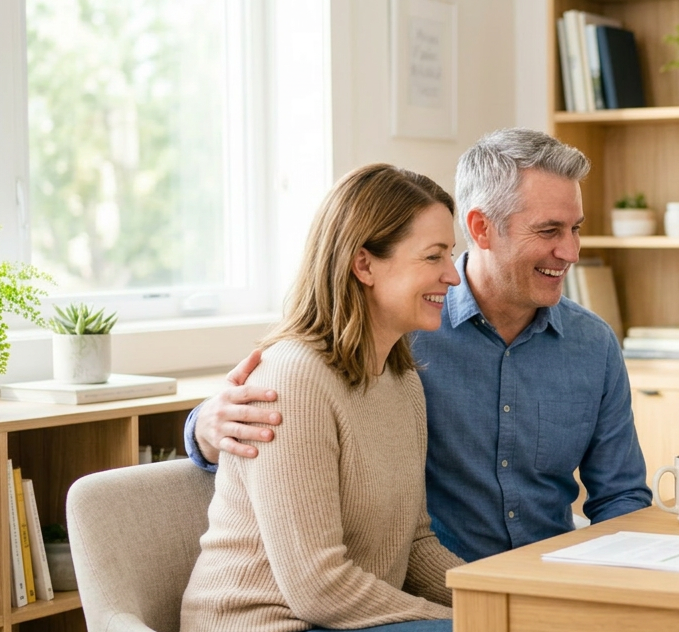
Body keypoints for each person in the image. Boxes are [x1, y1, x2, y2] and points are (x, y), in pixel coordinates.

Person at [184, 128, 651, 562]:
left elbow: (620, 497)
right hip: (426, 588)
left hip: (548, 584)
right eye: (549, 231)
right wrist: (204, 428)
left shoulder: (593, 345)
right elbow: (296, 390)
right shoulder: (398, 325)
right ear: (481, 228)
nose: (570, 252)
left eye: (576, 229)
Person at [178, 164, 466, 632]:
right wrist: (458, 624)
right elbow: (319, 587)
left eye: (451, 255)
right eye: (434, 256)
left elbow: (417, 543)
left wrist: (498, 603)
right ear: (364, 264)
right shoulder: (294, 379)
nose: (452, 274)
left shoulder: (403, 383)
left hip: (341, 630)